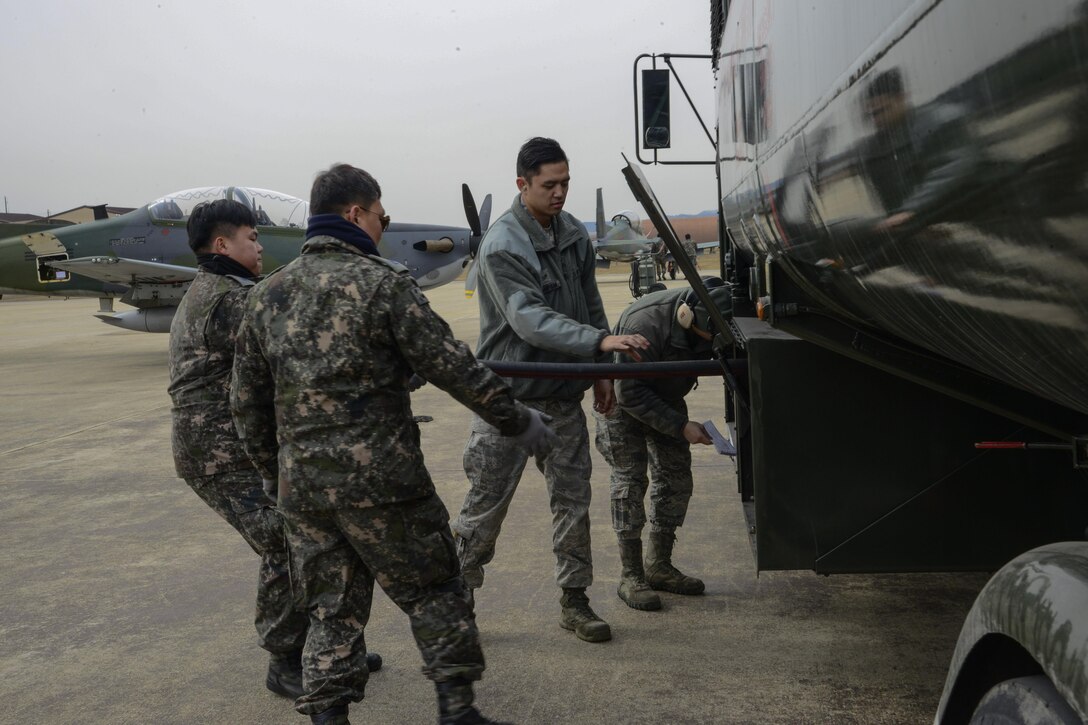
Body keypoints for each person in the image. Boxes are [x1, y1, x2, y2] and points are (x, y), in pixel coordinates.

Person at [231, 163, 551, 725]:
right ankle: (457, 711)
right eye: (383, 215)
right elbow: (453, 366)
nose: (384, 225)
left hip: (303, 490)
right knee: (434, 589)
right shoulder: (383, 285)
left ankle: (329, 718)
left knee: (331, 609)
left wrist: (270, 472)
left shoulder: (266, 297)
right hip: (383, 482)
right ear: (356, 214)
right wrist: (516, 419)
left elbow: (246, 404)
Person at [452, 137, 650, 644]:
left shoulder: (572, 235)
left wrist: (602, 368)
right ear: (522, 184)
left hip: (562, 397)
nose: (560, 193)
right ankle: (454, 604)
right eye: (549, 185)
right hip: (508, 402)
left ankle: (575, 601)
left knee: (573, 501)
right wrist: (598, 341)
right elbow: (530, 320)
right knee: (484, 509)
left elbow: (589, 305)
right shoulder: (503, 245)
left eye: (565, 183)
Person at [168, 199, 323, 702]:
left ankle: (326, 649)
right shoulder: (224, 300)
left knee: (309, 534)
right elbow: (295, 348)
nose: (259, 246)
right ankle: (285, 661)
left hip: (240, 446)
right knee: (285, 541)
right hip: (218, 454)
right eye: (251, 238)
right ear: (222, 245)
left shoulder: (228, 289)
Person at [593, 281, 732, 611]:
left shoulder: (718, 319)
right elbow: (630, 394)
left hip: (666, 397)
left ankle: (659, 565)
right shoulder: (646, 324)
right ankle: (631, 576)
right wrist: (681, 427)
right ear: (686, 317)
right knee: (630, 483)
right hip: (623, 404)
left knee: (676, 479)